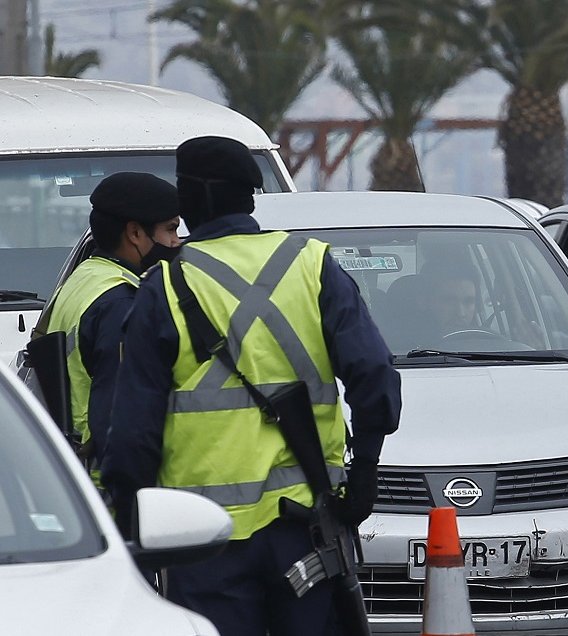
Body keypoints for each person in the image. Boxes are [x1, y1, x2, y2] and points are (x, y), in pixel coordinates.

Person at [101, 136, 402, 636]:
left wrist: (129, 513)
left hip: (202, 539)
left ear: (193, 199)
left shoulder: (165, 286)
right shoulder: (312, 265)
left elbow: (133, 429)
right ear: (249, 196)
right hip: (307, 529)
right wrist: (364, 470)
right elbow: (373, 375)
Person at [37, 172, 180, 472]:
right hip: (103, 476)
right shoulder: (121, 303)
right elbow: (123, 413)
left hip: (75, 463)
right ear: (135, 233)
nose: (176, 241)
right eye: (170, 229)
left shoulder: (85, 276)